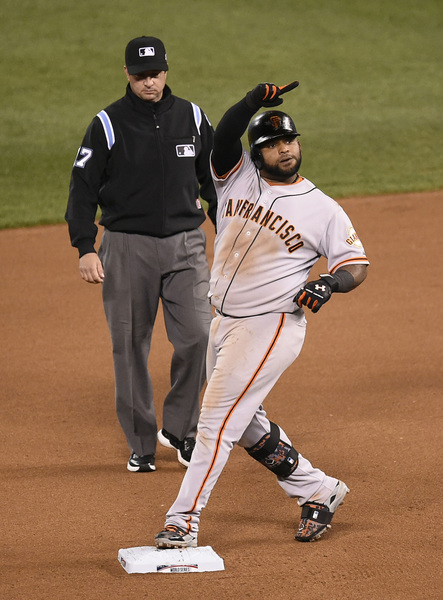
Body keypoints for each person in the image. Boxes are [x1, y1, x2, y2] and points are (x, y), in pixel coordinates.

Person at [154, 81, 369, 545]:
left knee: (214, 422)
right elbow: (223, 137)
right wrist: (251, 102)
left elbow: (356, 264)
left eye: (289, 140)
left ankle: (183, 521)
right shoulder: (233, 177)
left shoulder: (323, 209)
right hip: (223, 322)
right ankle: (318, 489)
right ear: (255, 153)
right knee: (247, 422)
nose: (285, 149)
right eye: (272, 144)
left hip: (270, 325)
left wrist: (328, 283)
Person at [65, 36, 217, 473]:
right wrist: (85, 247)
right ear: (127, 75)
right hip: (127, 247)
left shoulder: (192, 116)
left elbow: (214, 181)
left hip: (186, 244)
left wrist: (228, 227)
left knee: (199, 336)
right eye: (140, 75)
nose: (149, 82)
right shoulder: (107, 124)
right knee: (130, 345)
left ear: (166, 71)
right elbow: (82, 189)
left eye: (155, 74)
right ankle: (142, 444)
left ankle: (181, 430)